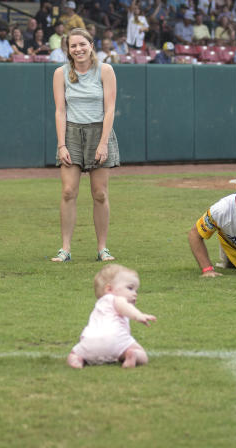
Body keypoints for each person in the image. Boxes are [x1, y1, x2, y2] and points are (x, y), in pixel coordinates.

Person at [52, 28, 120, 263]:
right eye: (73, 46)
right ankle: (65, 249)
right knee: (68, 191)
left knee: (100, 194)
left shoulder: (106, 70)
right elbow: (60, 111)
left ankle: (102, 249)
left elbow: (110, 109)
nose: (78, 49)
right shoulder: (60, 73)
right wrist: (62, 145)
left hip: (99, 132)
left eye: (82, 44)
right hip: (71, 132)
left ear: (91, 45)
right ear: (68, 50)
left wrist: (103, 143)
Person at [66, 264, 156, 369]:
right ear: (109, 289)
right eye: (130, 288)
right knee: (142, 355)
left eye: (136, 290)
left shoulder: (100, 304)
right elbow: (124, 307)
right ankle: (132, 355)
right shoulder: (116, 299)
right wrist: (138, 315)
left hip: (89, 341)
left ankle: (76, 359)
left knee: (75, 352)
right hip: (115, 340)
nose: (135, 294)